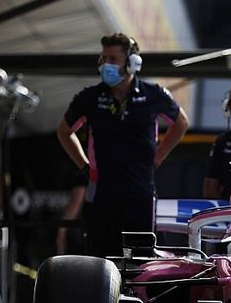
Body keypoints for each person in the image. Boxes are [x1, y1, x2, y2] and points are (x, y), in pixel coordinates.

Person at [56, 33, 189, 258]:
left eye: (112, 59)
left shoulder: (153, 94)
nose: (105, 64)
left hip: (140, 195)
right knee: (100, 261)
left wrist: (159, 156)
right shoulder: (89, 97)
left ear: (131, 63)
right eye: (103, 58)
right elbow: (64, 131)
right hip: (101, 195)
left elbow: (181, 122)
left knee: (141, 261)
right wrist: (84, 166)